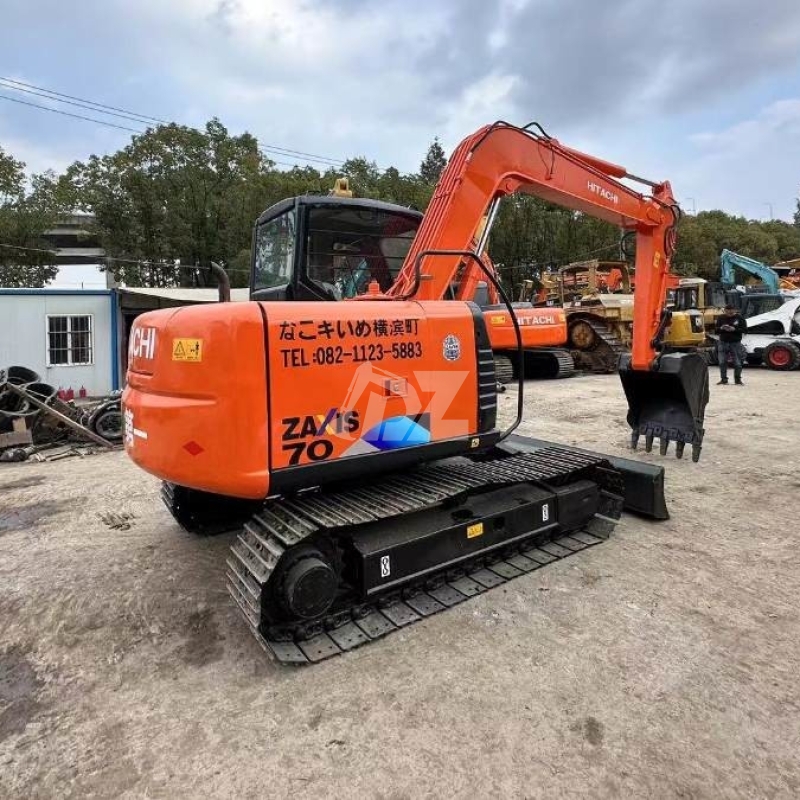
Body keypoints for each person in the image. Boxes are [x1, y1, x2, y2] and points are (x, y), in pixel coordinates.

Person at [714, 304, 747, 385]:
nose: (729, 313)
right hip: (723, 342)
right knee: (722, 362)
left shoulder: (740, 318)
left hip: (735, 343)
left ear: (734, 310)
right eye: (727, 311)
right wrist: (721, 328)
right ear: (725, 311)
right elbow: (716, 330)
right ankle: (723, 380)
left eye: (731, 311)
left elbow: (745, 330)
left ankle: (738, 380)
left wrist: (734, 329)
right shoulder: (721, 318)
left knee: (737, 363)